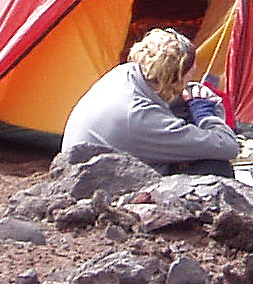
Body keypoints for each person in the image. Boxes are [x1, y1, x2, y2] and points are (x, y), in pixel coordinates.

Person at [61, 27, 242, 174]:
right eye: (189, 76)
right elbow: (227, 146)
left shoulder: (125, 73)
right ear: (174, 79)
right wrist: (204, 113)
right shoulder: (141, 116)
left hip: (86, 168)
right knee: (215, 168)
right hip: (98, 188)